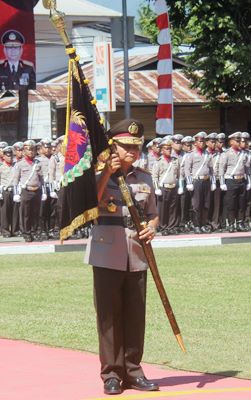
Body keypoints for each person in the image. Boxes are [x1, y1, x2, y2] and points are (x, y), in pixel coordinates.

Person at [84, 118, 159, 395]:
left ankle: (133, 370)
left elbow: (153, 213)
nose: (133, 151)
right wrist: (106, 173)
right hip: (106, 251)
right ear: (113, 146)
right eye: (126, 146)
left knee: (135, 315)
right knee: (108, 317)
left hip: (137, 252)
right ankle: (111, 374)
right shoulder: (96, 174)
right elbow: (88, 205)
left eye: (136, 146)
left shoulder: (145, 177)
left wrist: (151, 228)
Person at [12, 139, 46, 242]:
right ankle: (26, 232)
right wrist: (16, 194)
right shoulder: (19, 164)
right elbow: (15, 180)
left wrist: (44, 192)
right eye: (28, 149)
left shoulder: (38, 163)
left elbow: (41, 178)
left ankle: (34, 231)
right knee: (25, 214)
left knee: (36, 214)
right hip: (26, 191)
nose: (31, 152)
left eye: (33, 149)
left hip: (37, 190)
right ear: (24, 151)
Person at [184, 131, 213, 233]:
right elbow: (187, 169)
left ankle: (203, 224)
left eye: (203, 141)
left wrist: (213, 182)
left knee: (206, 204)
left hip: (206, 180)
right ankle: (196, 225)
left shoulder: (207, 154)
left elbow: (211, 169)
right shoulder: (191, 154)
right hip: (196, 181)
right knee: (196, 205)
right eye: (200, 141)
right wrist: (189, 183)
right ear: (195, 142)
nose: (202, 143)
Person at [151, 138, 180, 235]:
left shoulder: (175, 160)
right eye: (166, 149)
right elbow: (154, 177)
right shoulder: (158, 162)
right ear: (162, 150)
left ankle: (171, 226)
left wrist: (180, 186)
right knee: (162, 209)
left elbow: (178, 175)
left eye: (170, 148)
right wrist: (157, 188)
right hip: (163, 188)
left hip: (173, 187)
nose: (169, 150)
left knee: (173, 208)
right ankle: (163, 227)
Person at [0, 146, 16, 237]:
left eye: (11, 156)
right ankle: (5, 231)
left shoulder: (16, 165)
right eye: (7, 156)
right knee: (5, 212)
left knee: (15, 212)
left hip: (14, 191)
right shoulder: (0, 167)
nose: (10, 158)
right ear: (4, 157)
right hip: (5, 191)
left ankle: (15, 230)